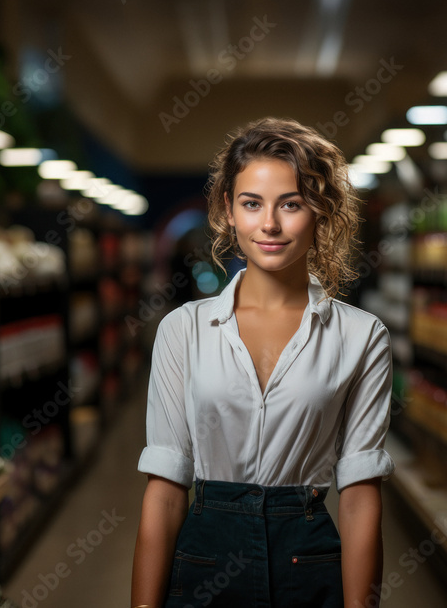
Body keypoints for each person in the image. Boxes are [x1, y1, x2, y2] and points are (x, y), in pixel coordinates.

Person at [131, 117, 395, 608]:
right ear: (228, 211)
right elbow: (166, 488)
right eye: (252, 204)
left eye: (290, 204)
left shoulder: (361, 336)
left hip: (308, 562)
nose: (269, 224)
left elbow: (360, 496)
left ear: (321, 211)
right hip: (204, 561)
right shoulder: (182, 330)